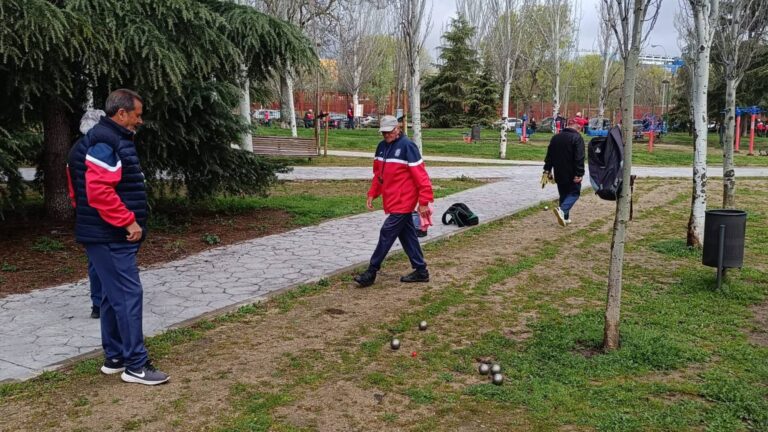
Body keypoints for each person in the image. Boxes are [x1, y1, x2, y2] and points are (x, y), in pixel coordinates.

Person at [66, 89, 170, 385]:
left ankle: (115, 357)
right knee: (127, 295)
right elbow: (99, 191)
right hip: (110, 234)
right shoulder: (105, 141)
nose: (140, 120)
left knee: (113, 296)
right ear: (121, 113)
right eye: (137, 114)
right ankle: (136, 365)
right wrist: (128, 222)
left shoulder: (106, 139)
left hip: (102, 234)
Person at [354, 115, 434, 287]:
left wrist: (424, 201)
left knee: (387, 232)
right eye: (383, 132)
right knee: (407, 236)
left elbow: (422, 176)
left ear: (398, 128)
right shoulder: (381, 147)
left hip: (404, 200)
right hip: (392, 199)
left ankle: (371, 271)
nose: (386, 135)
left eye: (389, 132)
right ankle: (421, 271)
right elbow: (379, 175)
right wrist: (372, 193)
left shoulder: (408, 146)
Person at [75, 109, 107, 319]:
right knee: (108, 260)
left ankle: (97, 303)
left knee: (95, 261)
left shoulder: (75, 150)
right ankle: (105, 301)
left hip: (84, 212)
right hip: (102, 213)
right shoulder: (100, 149)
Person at [543, 117, 585, 227]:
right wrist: (579, 173)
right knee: (574, 193)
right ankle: (562, 210)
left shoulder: (555, 137)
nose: (582, 128)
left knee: (564, 195)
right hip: (572, 172)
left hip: (559, 171)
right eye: (582, 126)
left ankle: (565, 218)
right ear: (578, 126)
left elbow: (549, 156)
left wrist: (547, 170)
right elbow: (579, 157)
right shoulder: (577, 138)